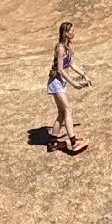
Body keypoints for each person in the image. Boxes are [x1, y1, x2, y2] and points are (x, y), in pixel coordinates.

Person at [46, 21, 91, 154]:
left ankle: (52, 143)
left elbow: (71, 64)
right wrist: (73, 83)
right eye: (71, 31)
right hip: (56, 83)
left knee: (62, 113)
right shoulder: (60, 48)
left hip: (61, 83)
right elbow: (60, 69)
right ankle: (73, 141)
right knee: (68, 109)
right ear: (65, 33)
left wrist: (84, 75)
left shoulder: (68, 46)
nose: (74, 33)